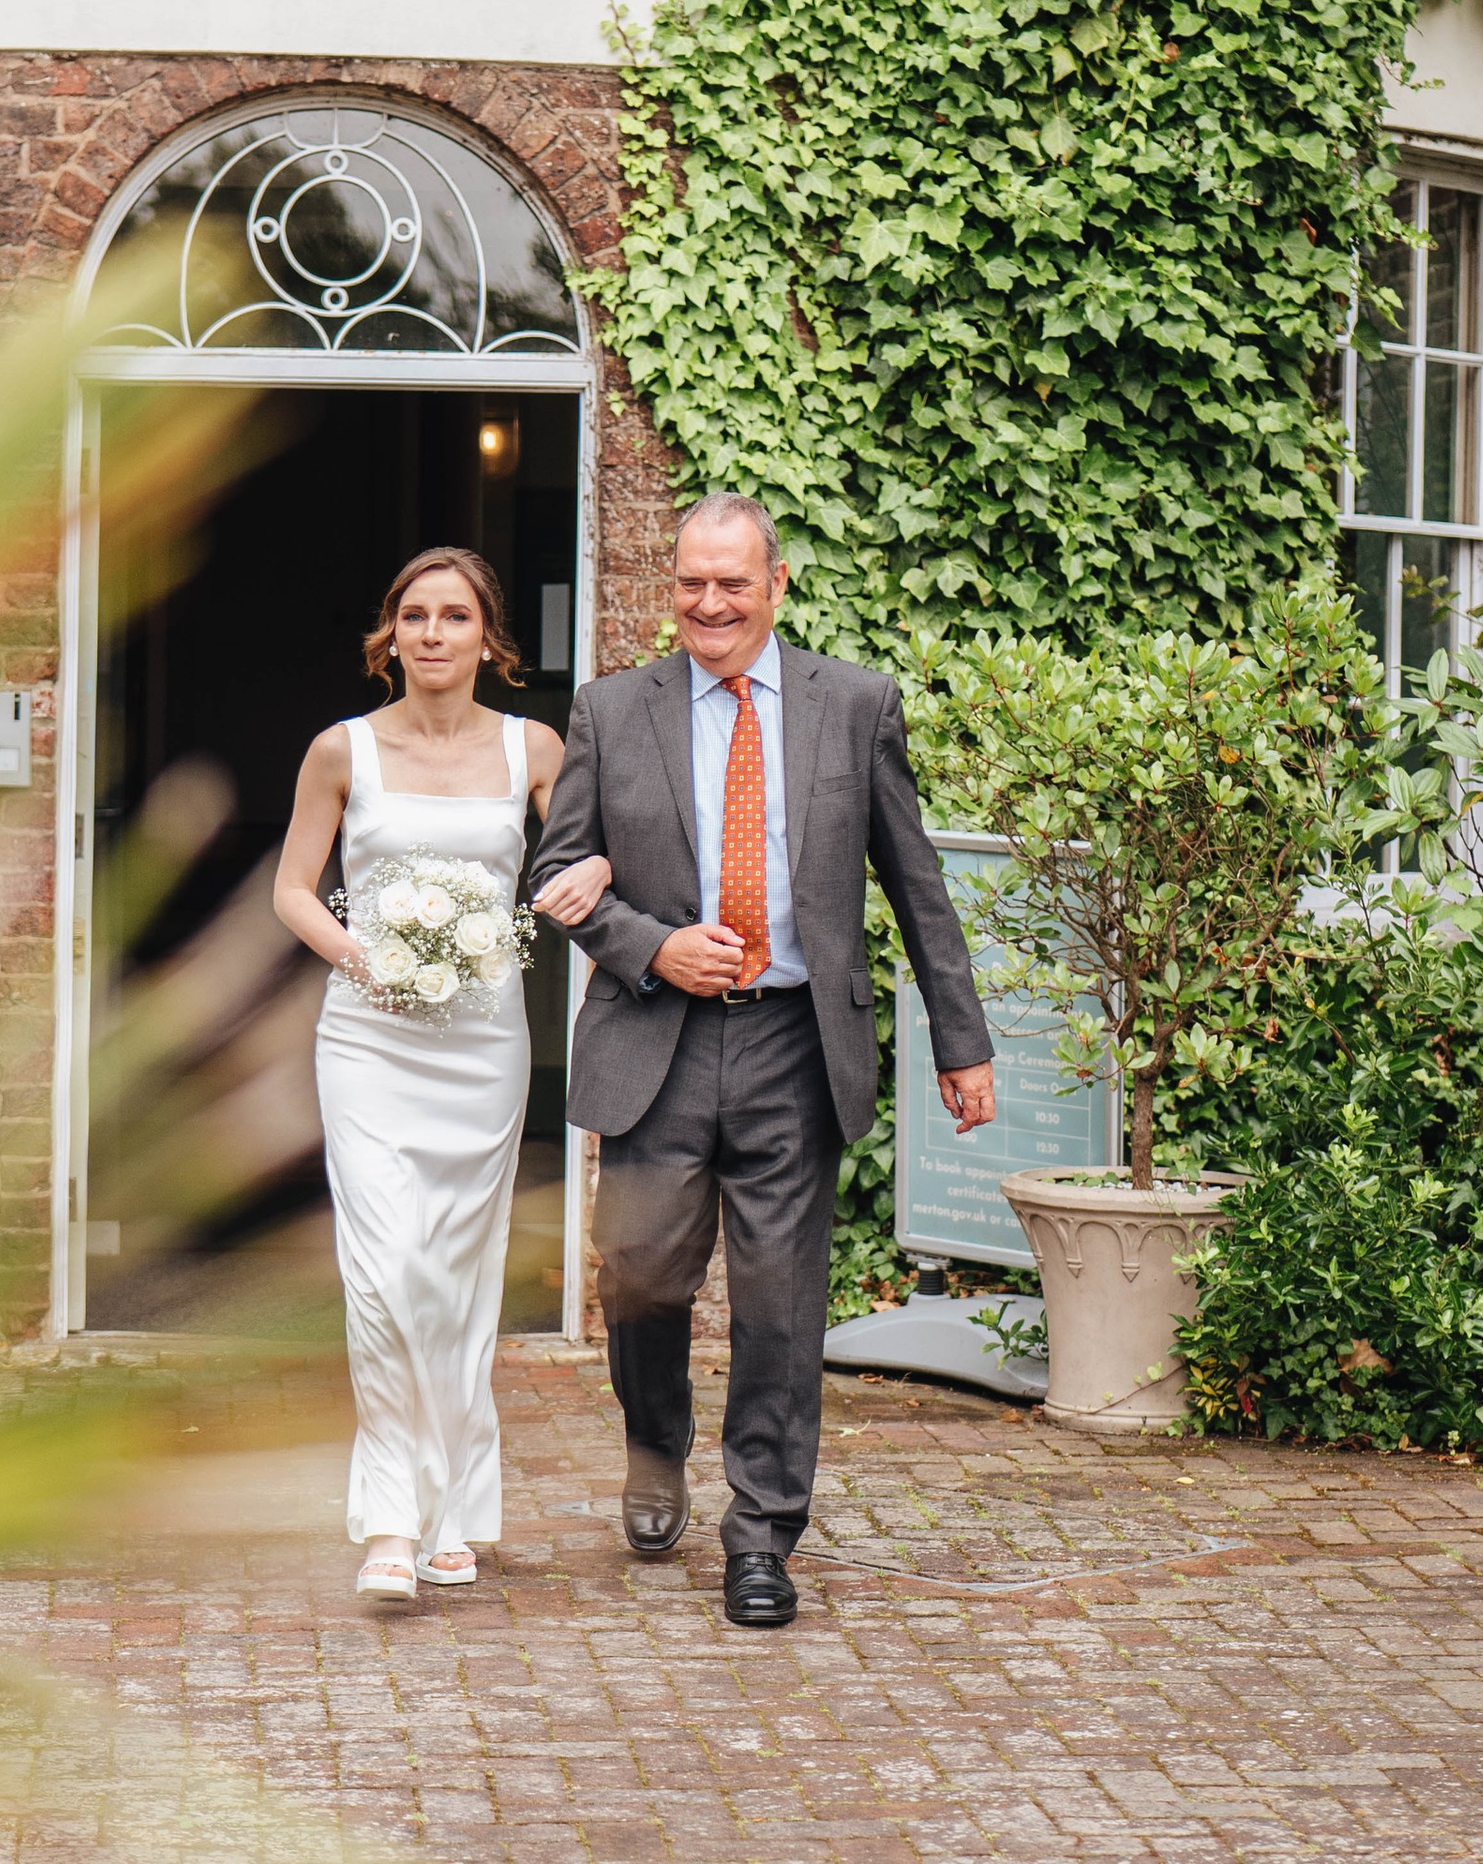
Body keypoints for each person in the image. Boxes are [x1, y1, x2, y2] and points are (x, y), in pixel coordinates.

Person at [537, 495, 995, 1631]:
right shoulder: (608, 710)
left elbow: (915, 883)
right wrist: (651, 946)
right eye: (691, 583)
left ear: (775, 586)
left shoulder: (853, 707)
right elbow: (556, 872)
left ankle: (762, 1537)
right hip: (660, 1040)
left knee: (782, 1306)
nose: (708, 605)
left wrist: (961, 1040)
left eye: (731, 585)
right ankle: (655, 1459)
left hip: (796, 1039)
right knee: (638, 1278)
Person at [273, 548, 609, 1609]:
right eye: (412, 616)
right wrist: (362, 957)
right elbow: (291, 890)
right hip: (367, 1039)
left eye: (453, 616)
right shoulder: (340, 752)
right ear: (390, 637)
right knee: (383, 1273)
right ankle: (385, 1523)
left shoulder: (535, 750)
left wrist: (596, 867)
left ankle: (455, 1512)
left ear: (487, 640)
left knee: (457, 1280)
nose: (431, 633)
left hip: (481, 1047)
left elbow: (583, 860)